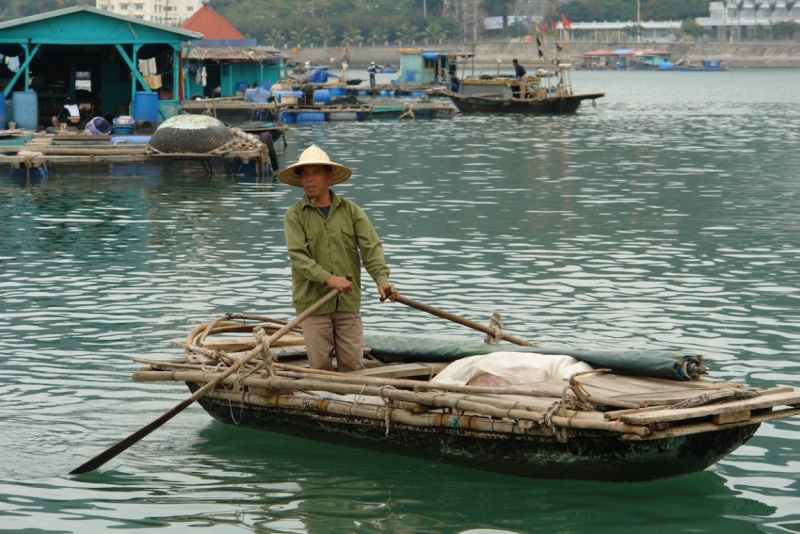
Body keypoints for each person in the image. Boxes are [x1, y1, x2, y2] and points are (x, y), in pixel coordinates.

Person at [279, 145, 399, 373]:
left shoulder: (351, 211)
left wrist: (382, 281)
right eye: (304, 174)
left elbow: (371, 248)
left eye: (315, 173)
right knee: (321, 368)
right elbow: (299, 258)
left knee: (353, 365)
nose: (309, 180)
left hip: (347, 302)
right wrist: (329, 279)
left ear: (328, 176)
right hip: (313, 305)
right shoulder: (294, 215)